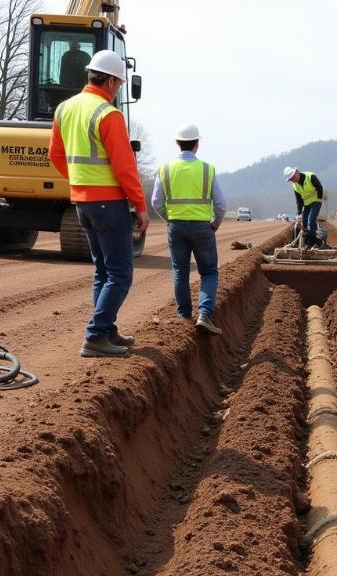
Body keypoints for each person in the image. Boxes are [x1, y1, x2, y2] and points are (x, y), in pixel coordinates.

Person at [49, 49, 150, 357]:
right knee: (120, 273)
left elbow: (55, 155)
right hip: (109, 203)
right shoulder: (108, 114)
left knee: (103, 272)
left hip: (83, 203)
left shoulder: (64, 109)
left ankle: (107, 330)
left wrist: (80, 183)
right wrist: (140, 206)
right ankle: (95, 335)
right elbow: (124, 167)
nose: (118, 90)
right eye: (118, 84)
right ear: (108, 81)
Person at [152, 124, 227, 335]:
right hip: (203, 227)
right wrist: (215, 223)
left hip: (176, 227)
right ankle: (204, 314)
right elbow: (220, 203)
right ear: (197, 144)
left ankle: (184, 316)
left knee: (180, 271)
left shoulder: (165, 169)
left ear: (177, 143)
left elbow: (156, 200)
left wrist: (169, 218)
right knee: (209, 272)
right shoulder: (207, 169)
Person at [283, 167, 323, 248]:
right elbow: (299, 200)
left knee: (311, 221)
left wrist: (319, 198)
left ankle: (317, 242)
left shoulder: (310, 176)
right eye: (291, 179)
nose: (292, 180)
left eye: (293, 177)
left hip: (316, 202)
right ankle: (307, 242)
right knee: (303, 223)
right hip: (307, 204)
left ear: (297, 172)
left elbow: (319, 187)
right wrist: (299, 212)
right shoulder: (295, 186)